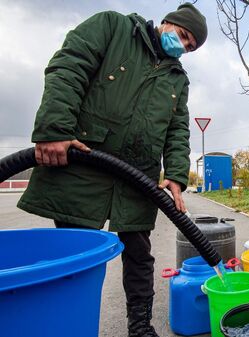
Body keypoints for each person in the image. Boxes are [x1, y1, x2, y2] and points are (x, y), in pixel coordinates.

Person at [17, 3, 208, 337]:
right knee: (75, 256)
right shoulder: (114, 28)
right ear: (167, 23)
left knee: (139, 255)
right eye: (183, 36)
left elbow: (178, 130)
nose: (184, 46)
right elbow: (69, 67)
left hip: (138, 176)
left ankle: (140, 326)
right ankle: (64, 326)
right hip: (82, 164)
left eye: (190, 46)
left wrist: (177, 174)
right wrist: (55, 130)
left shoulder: (177, 79)